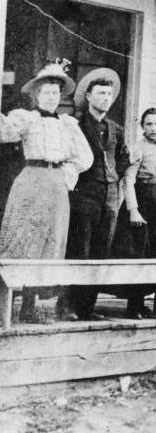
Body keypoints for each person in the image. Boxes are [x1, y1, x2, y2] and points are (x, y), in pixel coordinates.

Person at [0, 61, 93, 323]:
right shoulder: (26, 118)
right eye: (46, 92)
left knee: (49, 242)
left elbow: (84, 157)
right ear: (36, 95)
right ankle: (6, 304)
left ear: (60, 96)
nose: (51, 97)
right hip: (31, 180)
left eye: (55, 92)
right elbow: (5, 132)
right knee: (23, 238)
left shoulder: (67, 124)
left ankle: (30, 305)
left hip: (55, 185)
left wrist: (65, 176)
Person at [58, 68, 130, 321]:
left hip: (109, 195)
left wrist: (112, 178)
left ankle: (87, 308)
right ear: (88, 96)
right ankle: (67, 306)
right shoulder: (75, 124)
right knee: (80, 247)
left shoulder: (116, 129)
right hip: (84, 193)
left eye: (109, 94)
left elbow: (124, 158)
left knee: (101, 249)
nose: (105, 98)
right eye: (100, 93)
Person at [113, 106, 156, 318]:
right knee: (138, 252)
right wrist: (133, 209)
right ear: (142, 126)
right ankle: (134, 305)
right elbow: (128, 180)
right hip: (141, 201)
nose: (153, 128)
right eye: (148, 124)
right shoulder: (138, 148)